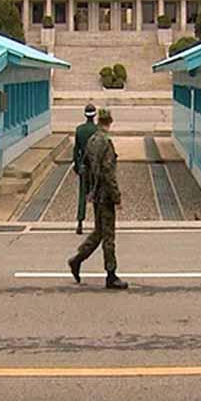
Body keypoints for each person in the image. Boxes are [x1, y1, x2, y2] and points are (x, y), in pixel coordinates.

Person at [67, 107, 128, 289]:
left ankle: (77, 259)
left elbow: (84, 163)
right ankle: (111, 274)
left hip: (95, 193)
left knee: (99, 232)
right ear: (110, 122)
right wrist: (117, 197)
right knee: (108, 235)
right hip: (105, 195)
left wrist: (90, 190)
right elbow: (108, 173)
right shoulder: (105, 142)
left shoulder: (92, 140)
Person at [73, 103, 97, 235]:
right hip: (95, 167)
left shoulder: (79, 130)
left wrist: (76, 166)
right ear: (95, 115)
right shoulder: (98, 130)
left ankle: (80, 223)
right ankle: (97, 223)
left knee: (82, 194)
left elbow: (76, 149)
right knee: (96, 193)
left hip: (83, 166)